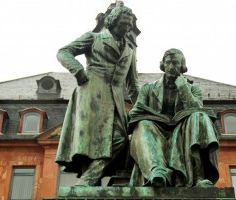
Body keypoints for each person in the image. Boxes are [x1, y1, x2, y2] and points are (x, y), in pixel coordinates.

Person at [55, 5, 139, 186]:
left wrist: (143, 108)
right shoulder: (93, 38)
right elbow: (63, 52)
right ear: (113, 21)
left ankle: (88, 180)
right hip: (91, 92)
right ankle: (90, 182)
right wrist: (77, 70)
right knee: (89, 140)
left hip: (115, 99)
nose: (127, 28)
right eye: (124, 23)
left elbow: (133, 86)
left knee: (120, 138)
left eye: (129, 25)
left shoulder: (130, 52)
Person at [128, 48, 219, 187]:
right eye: (168, 62)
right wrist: (153, 117)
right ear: (163, 64)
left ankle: (198, 177)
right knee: (143, 124)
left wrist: (183, 89)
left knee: (199, 116)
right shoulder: (148, 88)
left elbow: (198, 110)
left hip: (182, 131)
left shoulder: (193, 89)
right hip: (154, 130)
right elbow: (134, 113)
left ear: (182, 66)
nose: (171, 67)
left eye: (175, 63)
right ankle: (157, 173)